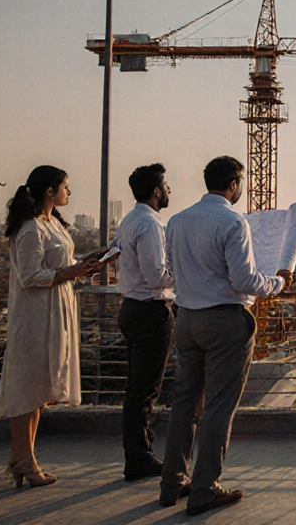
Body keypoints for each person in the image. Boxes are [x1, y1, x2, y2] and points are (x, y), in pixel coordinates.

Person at [159, 156, 292, 516]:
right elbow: (245, 281)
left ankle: (172, 482)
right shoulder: (233, 222)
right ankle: (204, 489)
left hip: (186, 319)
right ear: (234, 185)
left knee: (184, 403)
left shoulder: (178, 220)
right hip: (224, 321)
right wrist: (277, 283)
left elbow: (169, 271)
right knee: (218, 406)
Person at [0, 165, 102, 488]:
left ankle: (25, 461)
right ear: (49, 192)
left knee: (39, 390)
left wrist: (84, 264)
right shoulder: (30, 229)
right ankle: (22, 461)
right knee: (26, 391)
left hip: (53, 311)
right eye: (65, 187)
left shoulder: (51, 222)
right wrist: (71, 273)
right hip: (35, 316)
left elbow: (56, 264)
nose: (69, 193)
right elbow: (30, 275)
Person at [113, 163, 176, 482]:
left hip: (131, 309)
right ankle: (139, 458)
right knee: (145, 390)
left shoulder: (128, 220)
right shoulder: (150, 224)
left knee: (137, 388)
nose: (169, 191)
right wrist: (183, 276)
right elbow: (155, 276)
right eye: (165, 185)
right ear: (155, 191)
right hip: (150, 311)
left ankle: (137, 454)